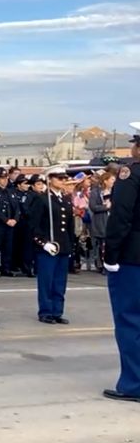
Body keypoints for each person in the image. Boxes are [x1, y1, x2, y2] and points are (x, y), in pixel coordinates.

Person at [102, 122, 140, 403]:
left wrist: (110, 254)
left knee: (129, 320)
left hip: (133, 257)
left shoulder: (131, 175)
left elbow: (121, 217)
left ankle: (133, 384)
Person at [28, 165, 76, 325]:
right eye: (59, 178)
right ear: (50, 180)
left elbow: (69, 226)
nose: (63, 181)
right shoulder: (41, 199)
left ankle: (57, 311)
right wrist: (43, 243)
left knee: (60, 282)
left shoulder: (65, 199)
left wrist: (70, 246)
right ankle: (46, 311)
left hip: (62, 246)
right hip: (48, 247)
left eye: (64, 178)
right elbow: (33, 226)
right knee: (47, 281)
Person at [0, 167, 18, 277]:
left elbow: (16, 208)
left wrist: (15, 219)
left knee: (8, 247)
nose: (4, 180)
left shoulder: (11, 192)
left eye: (6, 178)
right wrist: (6, 220)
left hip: (10, 224)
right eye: (1, 178)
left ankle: (5, 268)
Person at [89, 171, 115, 274]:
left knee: (111, 244)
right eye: (112, 180)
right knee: (102, 244)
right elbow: (93, 207)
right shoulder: (96, 192)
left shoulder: (115, 191)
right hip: (101, 221)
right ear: (105, 181)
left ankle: (111, 263)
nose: (114, 182)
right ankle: (102, 265)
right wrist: (106, 207)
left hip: (112, 221)